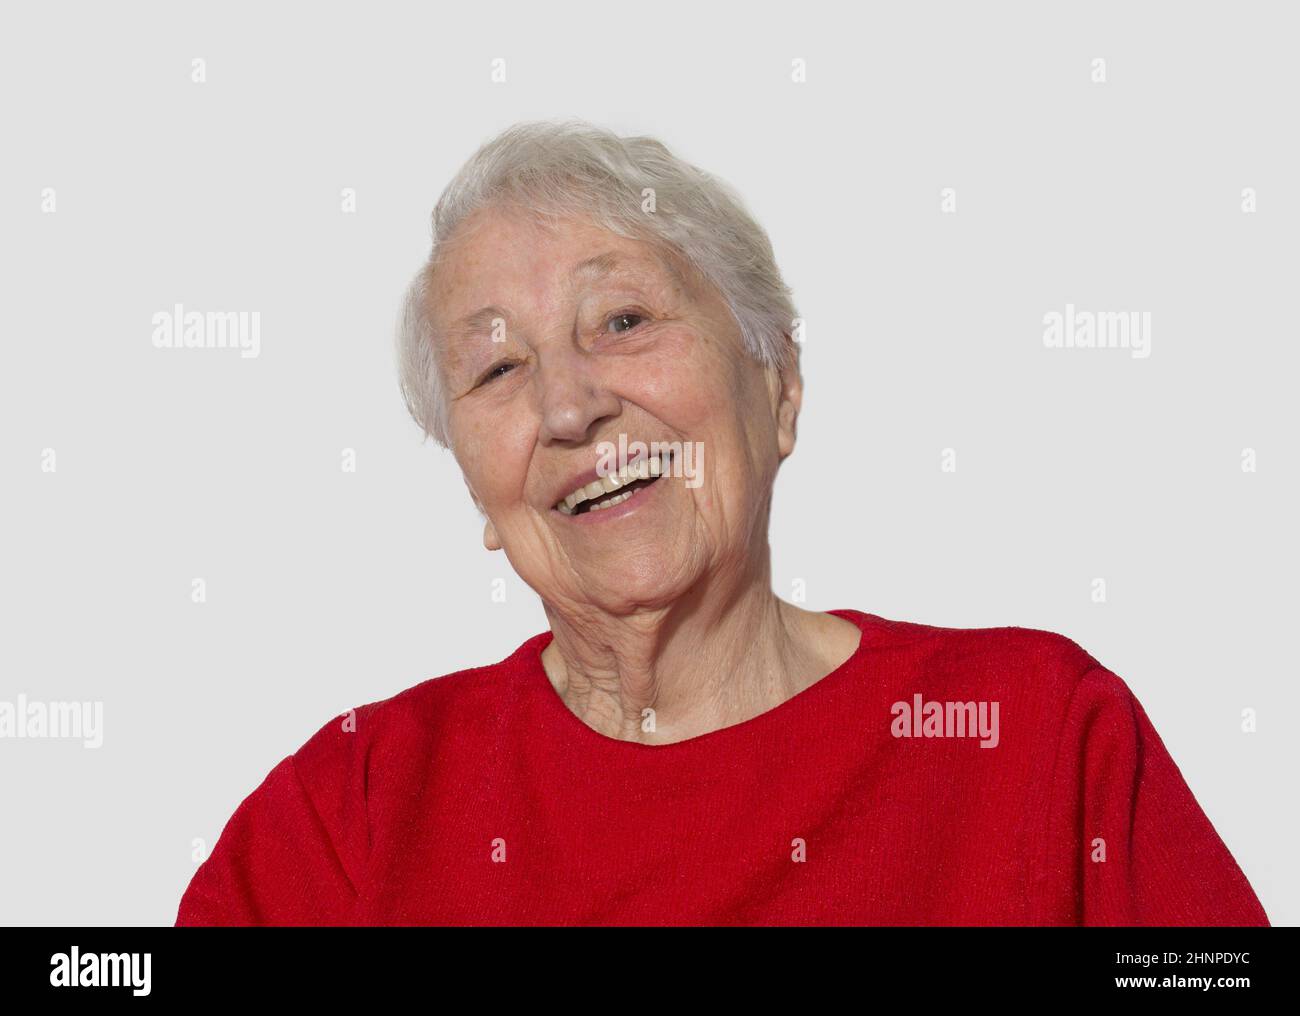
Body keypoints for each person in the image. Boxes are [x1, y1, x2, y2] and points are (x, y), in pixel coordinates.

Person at [175, 120, 1269, 926]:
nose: (569, 406)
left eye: (623, 319)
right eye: (498, 368)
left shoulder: (1032, 735)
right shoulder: (350, 812)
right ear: (476, 490)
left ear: (777, 383)